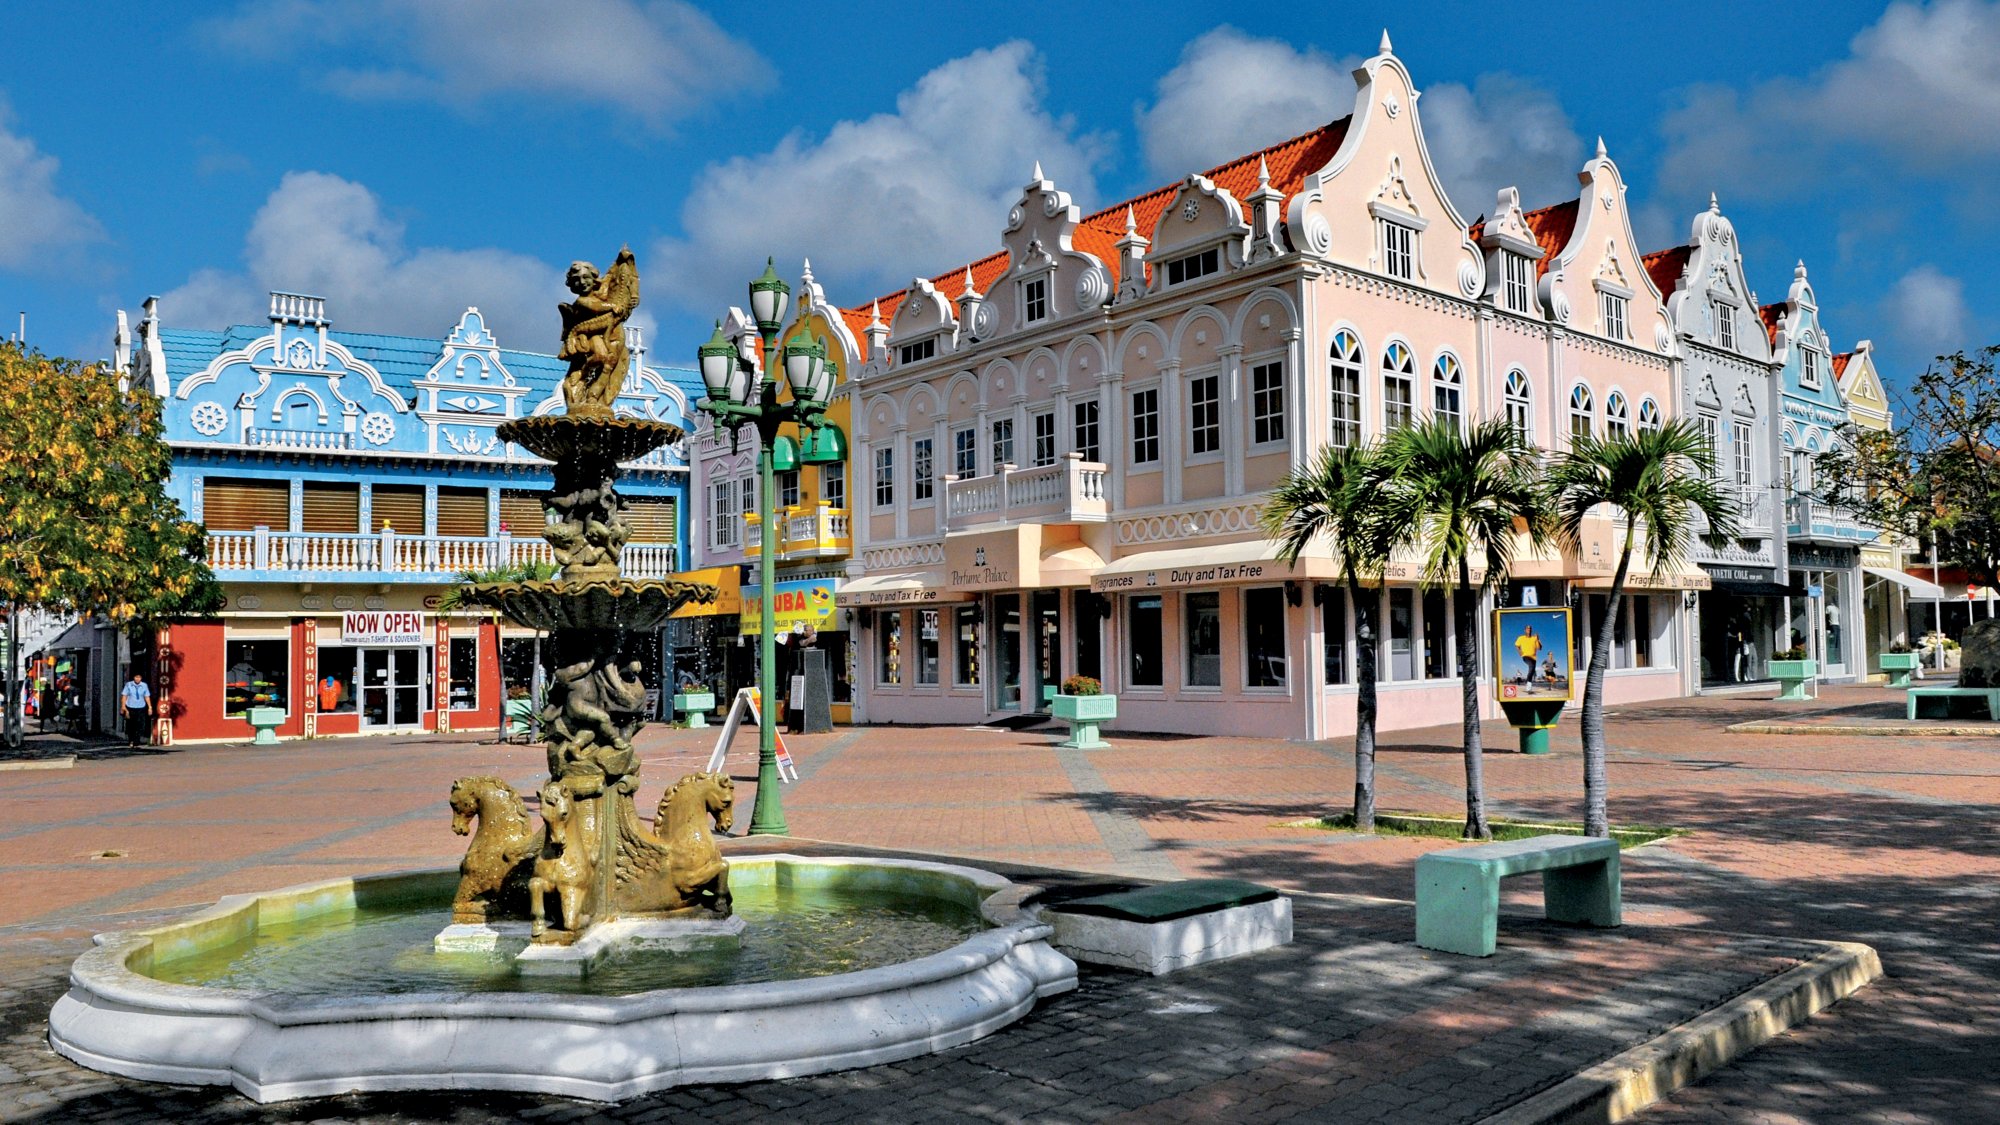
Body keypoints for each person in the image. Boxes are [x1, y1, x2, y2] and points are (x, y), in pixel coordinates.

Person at [120, 672, 153, 748]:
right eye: (136, 677)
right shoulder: (128, 685)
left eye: (139, 677)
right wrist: (123, 706)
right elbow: (124, 696)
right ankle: (131, 740)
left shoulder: (144, 685)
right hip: (130, 706)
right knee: (131, 724)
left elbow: (147, 696)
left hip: (141, 706)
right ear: (133, 678)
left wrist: (150, 707)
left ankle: (136, 741)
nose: (137, 679)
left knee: (139, 724)